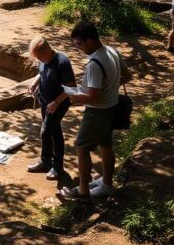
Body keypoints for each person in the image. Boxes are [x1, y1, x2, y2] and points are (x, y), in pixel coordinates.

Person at [59, 22, 131, 200]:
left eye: (79, 44)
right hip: (112, 106)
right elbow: (128, 76)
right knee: (105, 144)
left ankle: (83, 190)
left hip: (98, 111)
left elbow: (93, 97)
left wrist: (74, 97)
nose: (78, 48)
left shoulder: (94, 64)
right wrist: (110, 88)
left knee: (81, 147)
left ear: (90, 41)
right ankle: (106, 183)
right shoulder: (112, 50)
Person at [26, 38, 76, 180]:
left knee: (46, 132)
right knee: (55, 131)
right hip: (45, 101)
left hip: (58, 104)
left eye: (39, 57)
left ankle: (56, 167)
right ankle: (46, 162)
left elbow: (71, 87)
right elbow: (41, 73)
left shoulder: (62, 62)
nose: (39, 60)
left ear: (46, 51)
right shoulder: (44, 60)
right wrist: (34, 84)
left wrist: (56, 102)